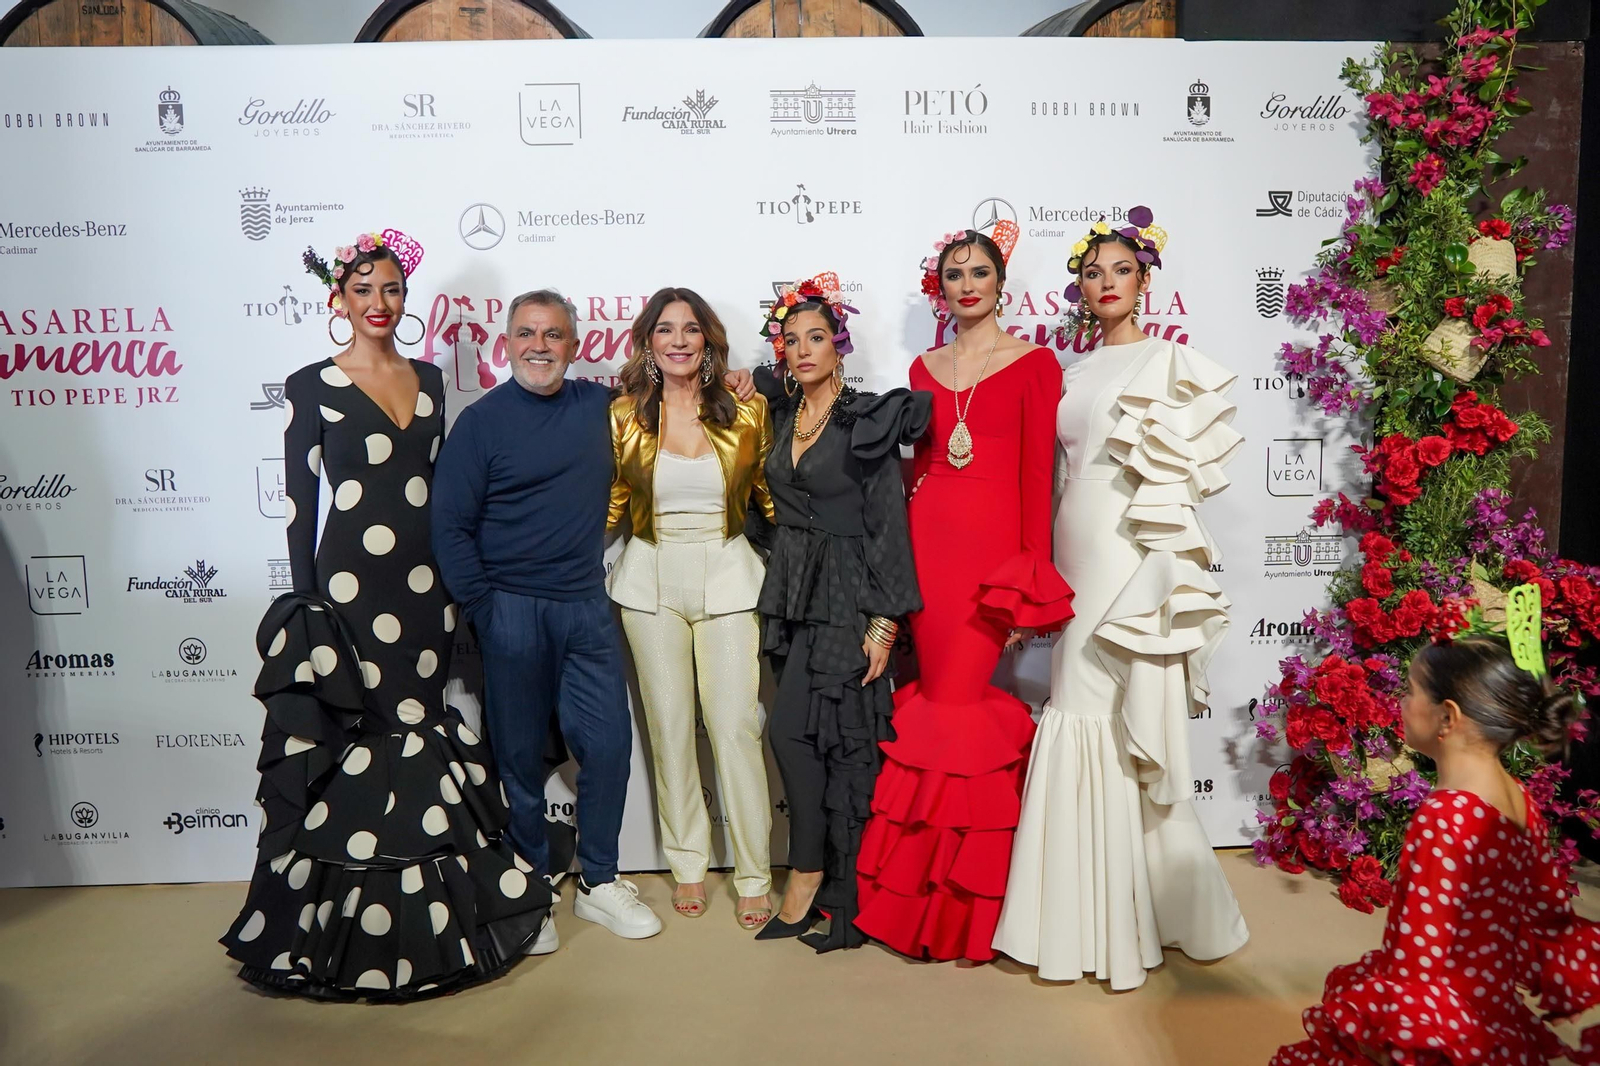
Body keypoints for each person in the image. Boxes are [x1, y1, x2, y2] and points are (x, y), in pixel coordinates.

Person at [221, 231, 553, 1000]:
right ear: (338, 300)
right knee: (359, 737)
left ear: (407, 298)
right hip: (346, 596)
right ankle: (335, 931)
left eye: (393, 289)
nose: (379, 304)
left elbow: (446, 497)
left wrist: (459, 587)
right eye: (363, 290)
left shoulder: (434, 382)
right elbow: (299, 513)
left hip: (424, 592)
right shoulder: (311, 386)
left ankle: (430, 918)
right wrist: (307, 611)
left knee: (417, 730)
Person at [431, 288, 757, 943]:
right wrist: (486, 610)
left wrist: (752, 375)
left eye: (553, 335)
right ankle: (527, 890)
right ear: (507, 342)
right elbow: (449, 526)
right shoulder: (481, 422)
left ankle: (598, 882)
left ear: (574, 347)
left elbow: (685, 390)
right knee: (520, 757)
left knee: (608, 747)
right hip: (511, 609)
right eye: (526, 334)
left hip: (585, 603)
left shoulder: (602, 409)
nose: (539, 346)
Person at [993, 207, 1248, 988]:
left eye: (1120, 270)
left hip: (1127, 555)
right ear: (1080, 285)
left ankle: (1132, 913)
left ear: (1145, 281)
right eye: (1092, 271)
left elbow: (1169, 487)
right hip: (1073, 546)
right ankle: (1081, 909)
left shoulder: (1171, 365)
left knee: (1112, 705)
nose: (1105, 282)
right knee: (1074, 703)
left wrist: (1162, 570)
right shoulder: (1063, 372)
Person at [854, 222, 1075, 962]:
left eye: (980, 270)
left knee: (957, 708)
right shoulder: (922, 368)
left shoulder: (1037, 364)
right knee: (938, 705)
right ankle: (920, 898)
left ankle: (962, 908)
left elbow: (1037, 480)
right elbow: (911, 475)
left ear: (1001, 281)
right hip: (927, 556)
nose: (968, 283)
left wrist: (1027, 587)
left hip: (990, 563)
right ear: (939, 287)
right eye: (954, 274)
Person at [1273, 630, 1600, 1065]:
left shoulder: (1443, 817)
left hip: (1441, 1031)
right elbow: (1549, 911)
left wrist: (1394, 1037)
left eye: (1410, 692)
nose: (1401, 704)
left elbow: (1418, 954)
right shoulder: (1518, 798)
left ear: (1448, 717)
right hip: (1491, 1021)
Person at [747, 274, 928, 951]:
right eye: (790, 340)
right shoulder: (783, 414)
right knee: (807, 738)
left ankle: (819, 879)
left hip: (849, 594)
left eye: (816, 337)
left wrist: (883, 622)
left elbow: (887, 521)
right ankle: (821, 878)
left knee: (816, 738)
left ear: (839, 345)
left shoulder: (863, 418)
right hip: (793, 592)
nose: (801, 350)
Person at [607, 287, 776, 929]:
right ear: (648, 341)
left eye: (691, 330)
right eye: (665, 330)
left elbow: (768, 496)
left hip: (730, 572)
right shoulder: (623, 414)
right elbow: (615, 500)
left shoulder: (745, 409)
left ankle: (755, 872)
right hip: (650, 578)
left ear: (708, 340)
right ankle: (687, 865)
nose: (678, 340)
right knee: (671, 728)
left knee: (735, 727)